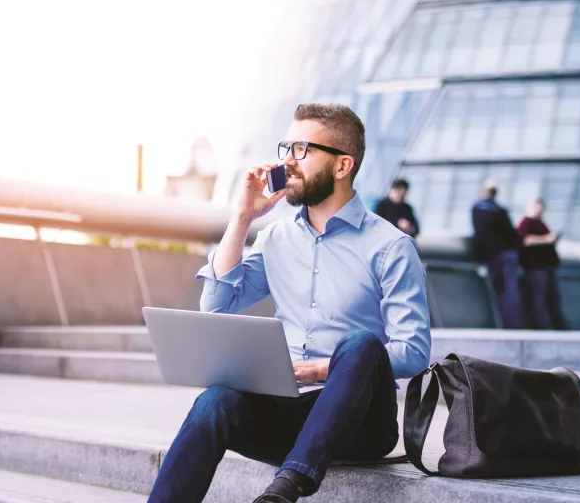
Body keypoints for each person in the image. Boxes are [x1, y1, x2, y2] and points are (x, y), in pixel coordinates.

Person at [147, 103, 431, 503]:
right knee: (215, 400)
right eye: (287, 149)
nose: (288, 162)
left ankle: (285, 489)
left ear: (342, 165)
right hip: (289, 412)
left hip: (361, 423)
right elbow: (215, 309)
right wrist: (243, 217)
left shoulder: (391, 247)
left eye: (302, 150)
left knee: (361, 344)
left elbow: (414, 351)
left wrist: (321, 369)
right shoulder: (275, 238)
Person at [471, 180, 523, 329]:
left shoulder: (477, 209)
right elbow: (511, 234)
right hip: (505, 254)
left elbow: (479, 233)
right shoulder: (499, 210)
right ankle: (511, 324)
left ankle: (501, 323)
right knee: (509, 292)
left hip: (490, 255)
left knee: (497, 290)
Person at [516, 198, 566, 330]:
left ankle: (553, 325)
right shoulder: (526, 222)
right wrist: (547, 239)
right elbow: (525, 240)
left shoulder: (541, 223)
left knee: (551, 298)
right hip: (535, 267)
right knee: (538, 299)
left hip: (546, 266)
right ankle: (543, 326)